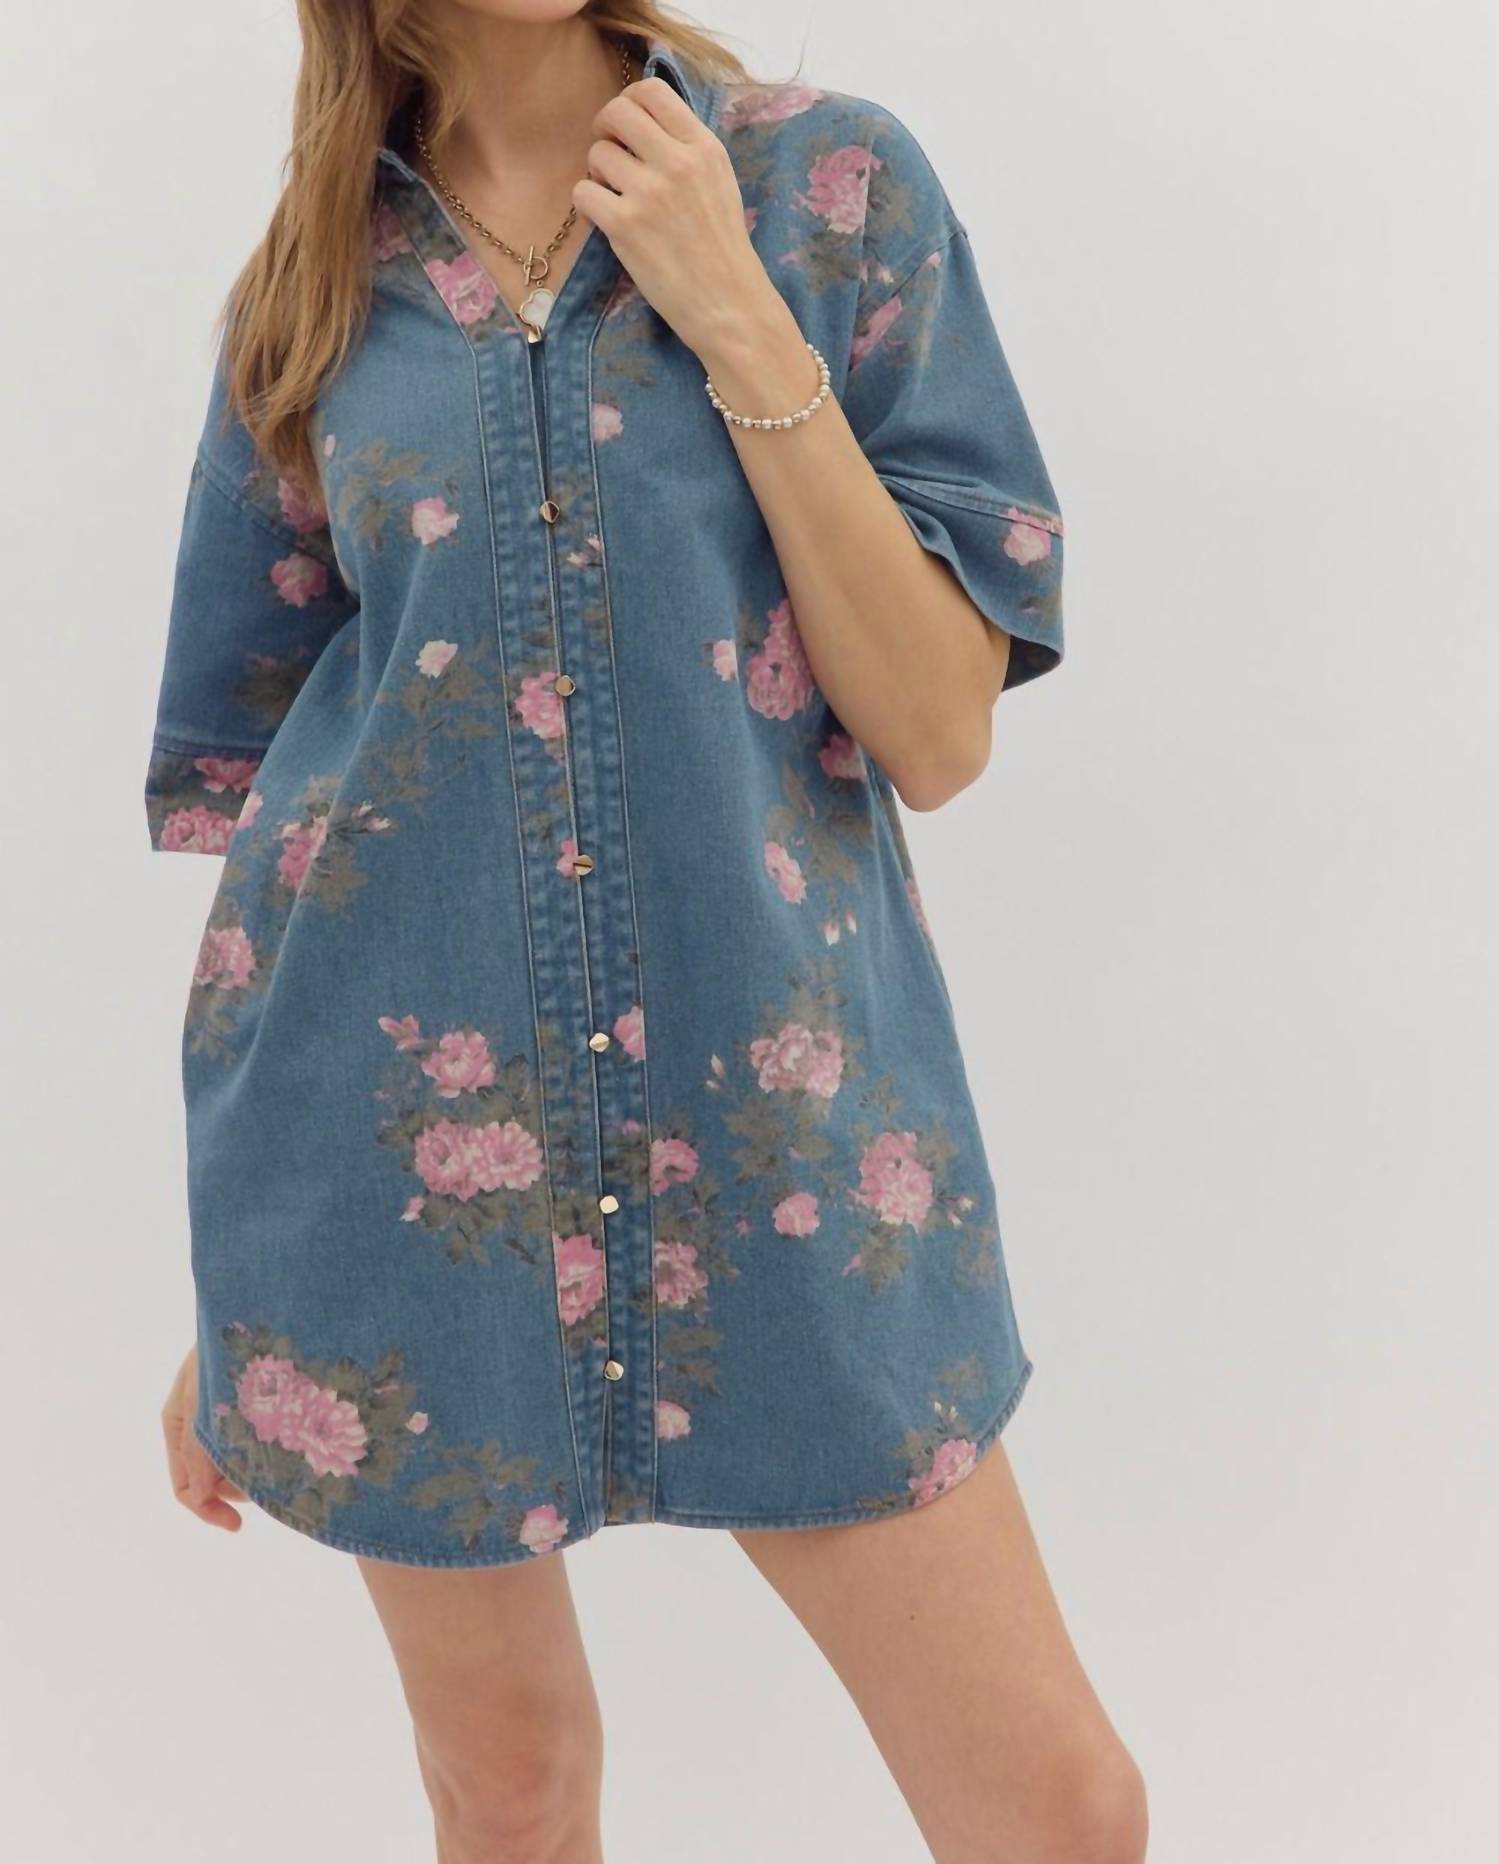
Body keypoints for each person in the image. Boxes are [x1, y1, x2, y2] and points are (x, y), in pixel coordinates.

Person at [150, 4, 1146, 1858]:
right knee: (510, 1791)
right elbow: (286, 803)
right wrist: (255, 1281)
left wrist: (735, 310)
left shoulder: (826, 186)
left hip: (792, 1158)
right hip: (391, 1197)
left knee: (1056, 1809)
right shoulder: (310, 294)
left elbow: (938, 732)